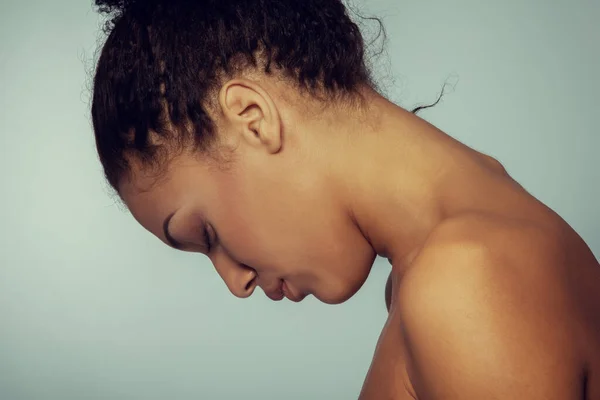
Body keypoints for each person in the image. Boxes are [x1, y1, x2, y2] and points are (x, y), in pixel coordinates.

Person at [90, 0, 600, 398]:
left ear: (251, 117)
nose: (235, 282)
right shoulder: (450, 253)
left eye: (206, 234)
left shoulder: (467, 280)